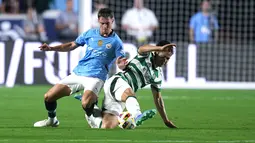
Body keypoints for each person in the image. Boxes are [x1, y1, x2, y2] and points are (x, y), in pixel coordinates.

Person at [33, 8, 127, 127]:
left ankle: (90, 112)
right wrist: (51, 48)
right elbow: (72, 45)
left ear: (112, 21)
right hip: (78, 74)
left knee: (85, 103)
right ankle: (52, 120)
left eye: (107, 23)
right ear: (98, 21)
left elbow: (120, 60)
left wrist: (122, 64)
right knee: (48, 97)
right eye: (102, 23)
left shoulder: (116, 41)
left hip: (96, 77)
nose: (105, 26)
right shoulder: (90, 33)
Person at [75, 40, 177, 129]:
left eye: (168, 59)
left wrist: (166, 120)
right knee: (129, 93)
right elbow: (142, 48)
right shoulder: (146, 55)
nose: (165, 61)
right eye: (164, 57)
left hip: (123, 96)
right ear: (156, 52)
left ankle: (91, 108)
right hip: (118, 82)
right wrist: (160, 47)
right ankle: (137, 115)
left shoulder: (158, 75)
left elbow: (158, 99)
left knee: (107, 125)